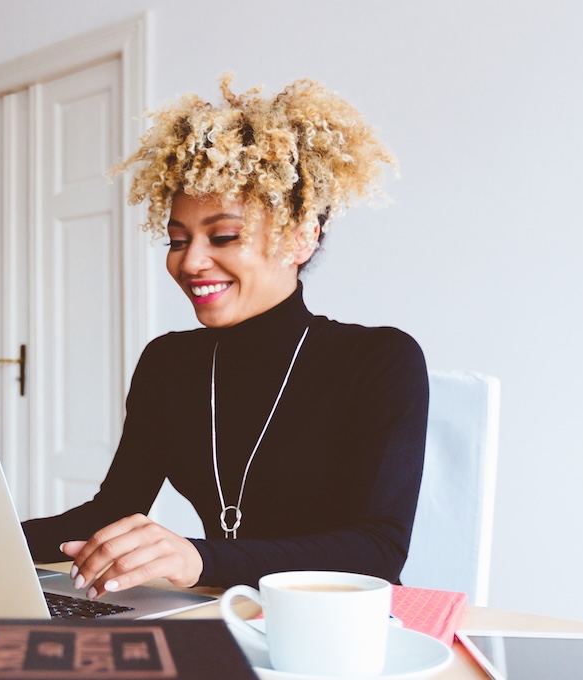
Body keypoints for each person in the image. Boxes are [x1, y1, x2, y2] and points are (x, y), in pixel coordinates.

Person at [21, 75, 428, 599]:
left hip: (334, 625)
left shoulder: (378, 359)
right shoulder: (167, 362)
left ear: (302, 235)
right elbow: (112, 512)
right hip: (218, 610)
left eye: (224, 236)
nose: (190, 262)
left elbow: (377, 550)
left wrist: (201, 557)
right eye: (177, 239)